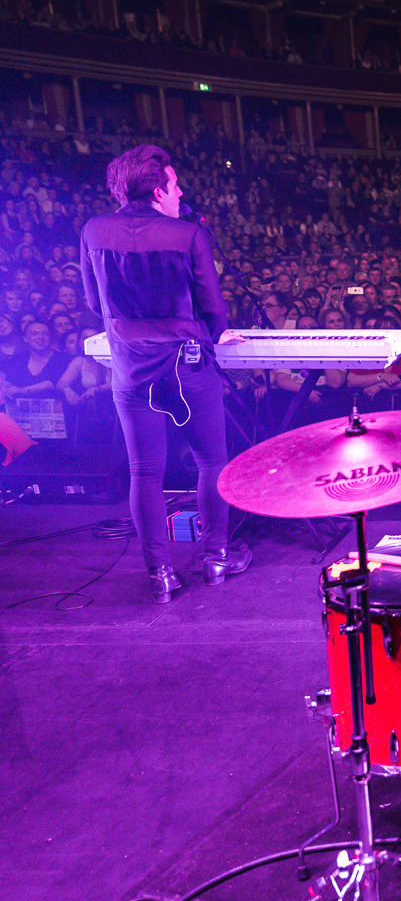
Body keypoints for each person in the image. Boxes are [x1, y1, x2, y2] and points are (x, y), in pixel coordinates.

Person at [79, 145, 251, 602]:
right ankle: (216, 558)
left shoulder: (94, 230)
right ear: (158, 192)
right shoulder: (188, 233)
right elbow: (212, 307)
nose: (180, 194)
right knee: (211, 461)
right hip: (186, 365)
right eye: (175, 186)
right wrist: (210, 334)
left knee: (144, 471)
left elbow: (95, 303)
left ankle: (160, 575)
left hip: (131, 369)